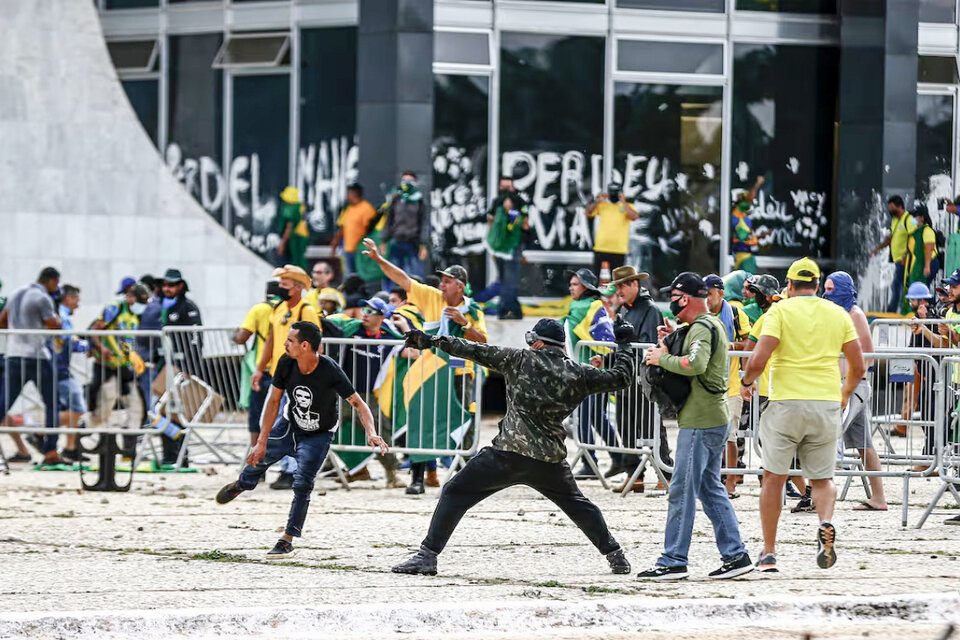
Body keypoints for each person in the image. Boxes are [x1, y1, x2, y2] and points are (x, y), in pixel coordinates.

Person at [392, 317, 638, 576]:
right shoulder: (579, 372)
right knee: (579, 505)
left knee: (455, 491)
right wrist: (623, 345)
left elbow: (472, 349)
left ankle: (427, 556)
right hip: (549, 460)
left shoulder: (519, 359)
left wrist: (430, 341)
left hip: (507, 454)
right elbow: (621, 378)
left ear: (538, 342)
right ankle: (616, 556)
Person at [216, 322, 388, 559]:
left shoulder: (330, 370)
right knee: (258, 460)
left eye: (289, 340)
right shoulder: (286, 363)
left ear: (305, 345)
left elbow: (358, 403)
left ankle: (287, 539)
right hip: (289, 426)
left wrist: (371, 432)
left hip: (319, 434)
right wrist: (262, 440)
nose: (285, 344)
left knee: (303, 483)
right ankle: (242, 484)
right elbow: (274, 401)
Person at [741, 257, 865, 573]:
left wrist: (746, 382)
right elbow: (858, 365)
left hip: (785, 403)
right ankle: (825, 522)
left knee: (773, 477)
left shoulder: (780, 311)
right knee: (822, 479)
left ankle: (769, 553)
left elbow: (758, 358)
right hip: (825, 403)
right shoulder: (837, 314)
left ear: (791, 286)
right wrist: (845, 393)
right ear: (817, 285)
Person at [636, 273, 752, 581]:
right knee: (709, 488)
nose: (671, 301)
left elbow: (696, 364)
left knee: (682, 489)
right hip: (709, 418)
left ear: (684, 298)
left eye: (673, 296)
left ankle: (673, 559)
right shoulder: (704, 325)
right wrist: (672, 338)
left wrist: (662, 360)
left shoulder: (702, 326)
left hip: (701, 422)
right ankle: (736, 554)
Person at [361, 238, 487, 494]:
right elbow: (403, 279)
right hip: (428, 373)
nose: (441, 285)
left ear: (460, 286)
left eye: (447, 281)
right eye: (441, 280)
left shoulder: (474, 310)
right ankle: (418, 478)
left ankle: (461, 480)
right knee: (421, 422)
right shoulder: (432, 297)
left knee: (462, 424)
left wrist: (464, 324)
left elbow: (483, 341)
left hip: (460, 373)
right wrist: (378, 260)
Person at [822, 271, 887, 511]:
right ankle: (878, 498)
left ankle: (818, 493)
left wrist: (846, 376)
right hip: (847, 384)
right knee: (864, 444)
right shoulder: (838, 313)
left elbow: (867, 354)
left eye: (830, 289)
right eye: (825, 289)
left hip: (854, 386)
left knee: (828, 435)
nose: (826, 294)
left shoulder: (855, 314)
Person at [252, 265, 321, 490]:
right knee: (277, 423)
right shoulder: (279, 308)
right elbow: (271, 340)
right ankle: (282, 468)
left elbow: (316, 344)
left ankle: (291, 471)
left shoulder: (306, 310)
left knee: (293, 424)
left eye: (284, 284)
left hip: (299, 375)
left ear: (298, 287)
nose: (280, 287)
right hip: (279, 374)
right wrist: (260, 368)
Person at [603, 266, 669, 492]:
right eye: (617, 286)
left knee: (652, 427)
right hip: (626, 379)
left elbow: (647, 344)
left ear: (635, 285)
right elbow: (623, 346)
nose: (619, 290)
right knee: (627, 429)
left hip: (643, 380)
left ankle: (665, 473)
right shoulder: (624, 310)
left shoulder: (649, 310)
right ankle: (635, 476)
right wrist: (607, 361)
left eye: (623, 285)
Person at [335, 298, 405, 488]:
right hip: (342, 393)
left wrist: (405, 327)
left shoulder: (389, 337)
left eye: (370, 311)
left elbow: (412, 352)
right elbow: (331, 325)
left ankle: (392, 474)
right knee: (325, 429)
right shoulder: (353, 330)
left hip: (366, 394)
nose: (364, 313)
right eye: (364, 309)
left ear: (382, 316)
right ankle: (356, 469)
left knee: (382, 430)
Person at [0, 267, 64, 465]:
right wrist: (58, 318)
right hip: (36, 356)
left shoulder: (16, 292)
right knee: (52, 403)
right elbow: (53, 324)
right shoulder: (42, 297)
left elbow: (2, 321)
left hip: (13, 354)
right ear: (52, 281)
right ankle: (51, 450)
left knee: (3, 403)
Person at [564, 268, 622, 479]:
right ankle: (617, 457)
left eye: (575, 284)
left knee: (584, 416)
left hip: (592, 372)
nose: (571, 288)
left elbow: (604, 340)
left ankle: (591, 462)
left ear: (586, 287)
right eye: (570, 284)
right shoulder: (590, 306)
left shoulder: (589, 307)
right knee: (595, 416)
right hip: (590, 372)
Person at [87, 284, 150, 456]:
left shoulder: (135, 316)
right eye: (139, 301)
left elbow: (126, 340)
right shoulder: (114, 308)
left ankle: (129, 452)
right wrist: (101, 348)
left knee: (136, 407)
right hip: (106, 366)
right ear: (130, 297)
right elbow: (95, 330)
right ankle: (82, 435)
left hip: (124, 367)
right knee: (104, 407)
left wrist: (134, 359)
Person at [704, 274, 751, 499]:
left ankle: (731, 480)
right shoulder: (700, 314)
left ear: (721, 293)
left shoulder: (735, 313)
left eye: (709, 294)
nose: (706, 298)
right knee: (706, 433)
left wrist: (730, 345)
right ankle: (710, 478)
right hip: (705, 383)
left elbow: (750, 343)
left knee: (730, 436)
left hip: (731, 383)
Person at [234, 281, 282, 447]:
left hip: (264, 369)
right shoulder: (288, 309)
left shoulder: (259, 309)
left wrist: (235, 333)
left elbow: (241, 338)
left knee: (257, 415)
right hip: (285, 370)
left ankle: (256, 457)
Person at [51, 285, 88, 461]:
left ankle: (70, 448)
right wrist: (87, 346)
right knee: (78, 408)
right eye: (76, 299)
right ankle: (39, 429)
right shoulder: (62, 315)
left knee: (70, 408)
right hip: (59, 369)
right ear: (68, 298)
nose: (78, 304)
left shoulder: (59, 313)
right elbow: (67, 341)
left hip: (58, 368)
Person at [871, 196, 918, 313]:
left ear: (900, 206)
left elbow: (916, 238)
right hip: (898, 260)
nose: (890, 211)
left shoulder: (910, 219)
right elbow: (891, 238)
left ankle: (893, 311)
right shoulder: (895, 220)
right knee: (898, 285)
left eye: (892, 208)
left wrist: (906, 255)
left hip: (907, 260)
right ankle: (899, 309)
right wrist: (878, 249)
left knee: (897, 285)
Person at [486, 193, 529, 320]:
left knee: (509, 282)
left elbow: (525, 224)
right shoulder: (497, 206)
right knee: (506, 281)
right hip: (499, 249)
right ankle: (514, 310)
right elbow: (491, 222)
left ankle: (505, 309)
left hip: (512, 249)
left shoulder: (520, 207)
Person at [382, 172, 429, 279]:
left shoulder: (419, 201)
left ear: (415, 183)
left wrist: (423, 245)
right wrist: (384, 240)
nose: (406, 184)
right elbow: (389, 220)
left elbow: (423, 223)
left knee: (415, 275)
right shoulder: (397, 199)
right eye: (404, 180)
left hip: (413, 242)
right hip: (397, 240)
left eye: (410, 181)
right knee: (395, 274)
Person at [585, 183, 639, 275]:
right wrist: (597, 201)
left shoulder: (627, 206)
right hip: (601, 247)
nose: (614, 195)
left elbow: (634, 217)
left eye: (616, 192)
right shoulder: (602, 205)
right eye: (612, 192)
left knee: (616, 280)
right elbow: (588, 212)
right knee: (594, 277)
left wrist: (624, 202)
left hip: (618, 249)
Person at [331, 183, 378, 275]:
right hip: (347, 249)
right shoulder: (348, 209)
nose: (346, 196)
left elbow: (371, 230)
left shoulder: (366, 208)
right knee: (349, 275)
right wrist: (335, 242)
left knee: (360, 275)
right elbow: (342, 228)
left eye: (348, 193)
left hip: (360, 250)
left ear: (354, 193)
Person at [731, 176, 765, 273]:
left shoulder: (744, 217)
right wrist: (757, 184)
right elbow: (750, 198)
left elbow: (746, 237)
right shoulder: (736, 215)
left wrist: (761, 236)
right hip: (742, 256)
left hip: (747, 254)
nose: (750, 203)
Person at [904, 206, 940, 294]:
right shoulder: (918, 231)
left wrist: (927, 266)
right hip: (923, 263)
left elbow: (929, 248)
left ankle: (929, 306)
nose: (913, 219)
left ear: (922, 218)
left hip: (930, 262)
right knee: (921, 288)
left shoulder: (927, 231)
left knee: (922, 289)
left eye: (915, 216)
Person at [276, 187, 310, 270]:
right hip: (302, 237)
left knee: (293, 264)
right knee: (300, 262)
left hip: (293, 239)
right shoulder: (301, 207)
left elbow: (289, 227)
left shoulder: (290, 209)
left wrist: (282, 243)